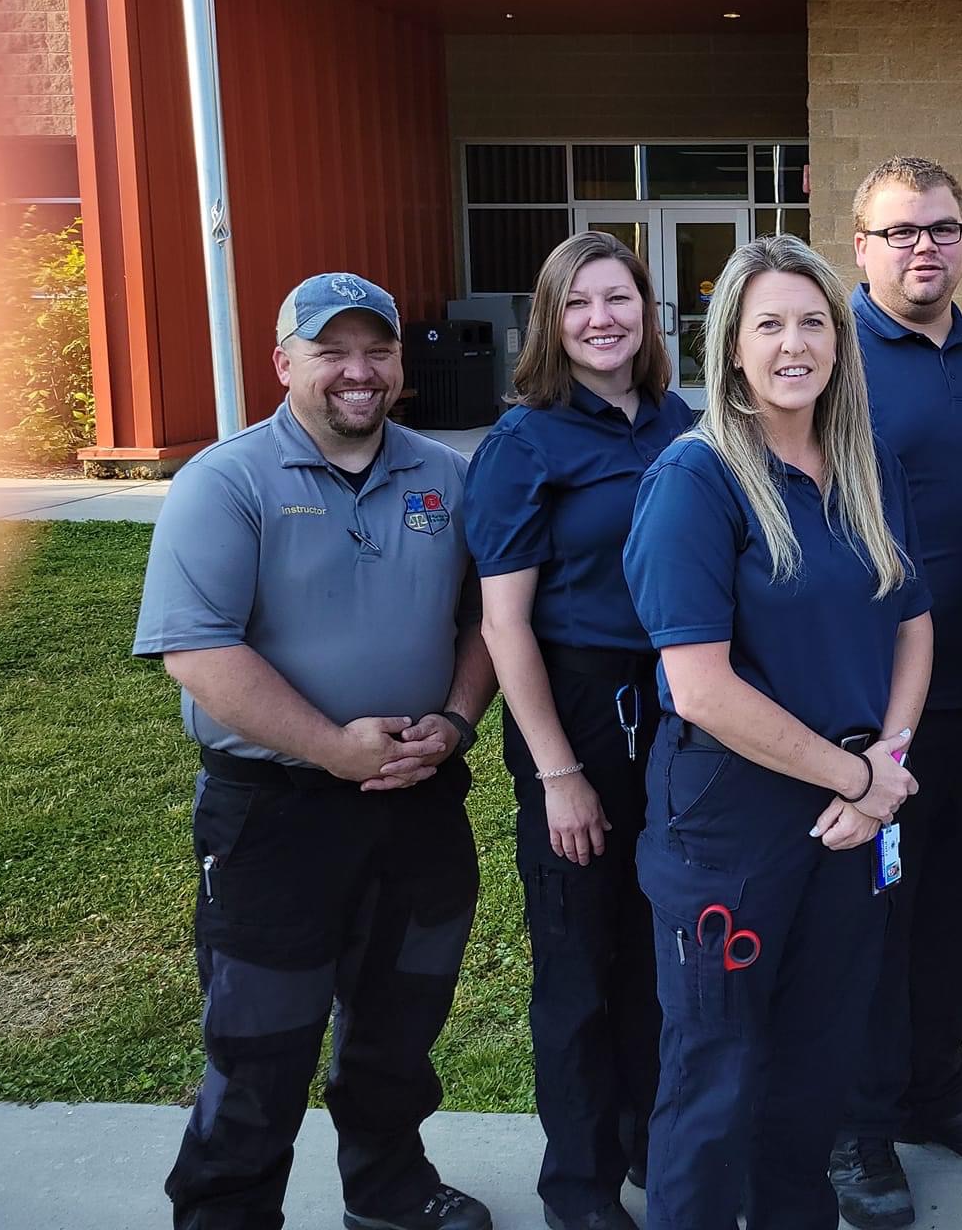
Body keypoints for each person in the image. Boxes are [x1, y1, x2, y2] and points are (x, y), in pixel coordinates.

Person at [134, 272, 495, 1230]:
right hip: (276, 813)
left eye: (374, 350)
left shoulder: (441, 475)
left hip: (419, 804)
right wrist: (333, 748)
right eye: (330, 351)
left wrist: (455, 722)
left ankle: (390, 1191)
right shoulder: (228, 481)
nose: (357, 371)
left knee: (398, 1027)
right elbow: (197, 649)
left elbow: (486, 619)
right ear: (284, 362)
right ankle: (225, 1211)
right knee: (262, 1043)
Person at [622, 235, 934, 1230]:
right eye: (769, 324)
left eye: (812, 322)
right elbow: (700, 687)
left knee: (816, 1063)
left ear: (840, 340)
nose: (793, 343)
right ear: (731, 347)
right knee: (716, 1076)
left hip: (851, 805)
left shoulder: (862, 461)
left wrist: (883, 763)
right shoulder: (696, 478)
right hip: (733, 819)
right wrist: (855, 779)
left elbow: (913, 625)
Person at [465, 233, 695, 1230]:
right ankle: (580, 1187)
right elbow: (502, 622)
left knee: (659, 956)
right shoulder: (525, 444)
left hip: (682, 716)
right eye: (578, 304)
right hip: (579, 718)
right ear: (550, 325)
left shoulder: (676, 423)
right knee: (579, 966)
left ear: (648, 314)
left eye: (620, 299)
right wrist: (558, 773)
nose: (602, 318)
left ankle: (650, 1144)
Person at [832, 158, 962, 1229]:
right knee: (873, 927)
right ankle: (854, 1125)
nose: (925, 247)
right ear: (858, 247)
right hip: (868, 714)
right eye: (901, 231)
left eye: (944, 228)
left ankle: (931, 1090)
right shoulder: (829, 364)